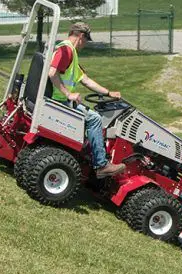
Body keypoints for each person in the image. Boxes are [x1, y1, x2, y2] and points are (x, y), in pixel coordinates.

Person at [48, 22, 126, 178]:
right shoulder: (66, 50)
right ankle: (101, 165)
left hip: (62, 99)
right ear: (81, 36)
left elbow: (85, 80)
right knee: (95, 119)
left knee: (89, 113)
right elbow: (52, 73)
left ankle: (89, 155)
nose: (85, 45)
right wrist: (68, 94)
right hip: (59, 101)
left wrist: (109, 93)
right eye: (86, 40)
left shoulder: (70, 53)